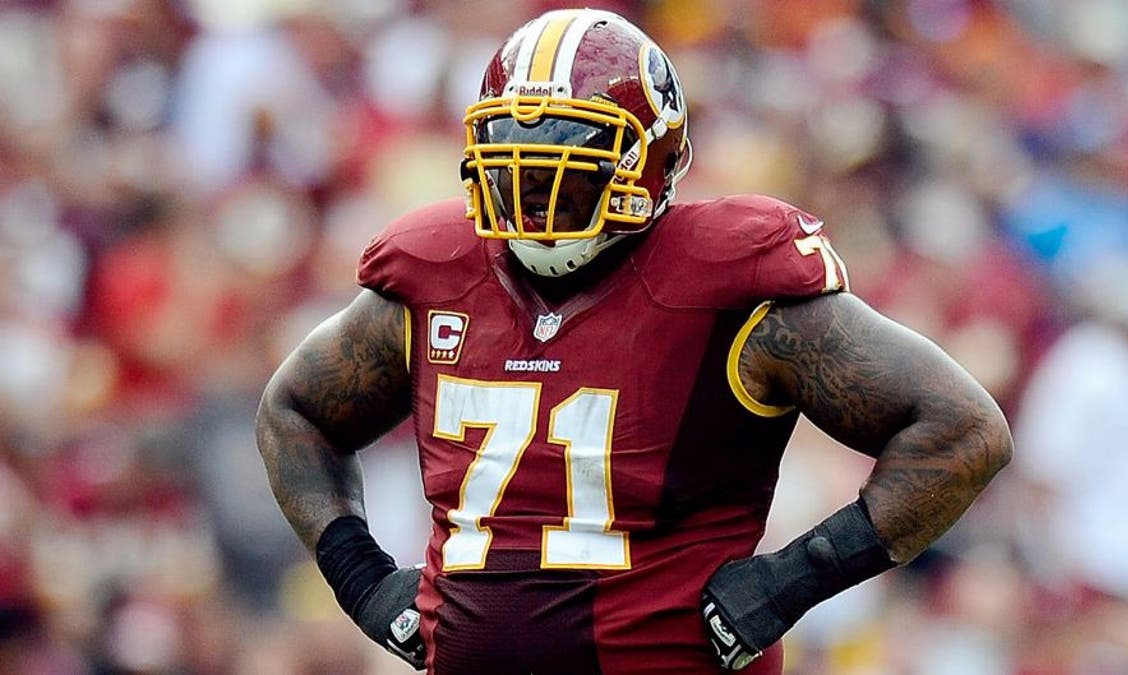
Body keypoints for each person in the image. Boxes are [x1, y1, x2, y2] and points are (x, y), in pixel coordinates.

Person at [255, 8, 1012, 674]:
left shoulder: (731, 285)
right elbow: (294, 409)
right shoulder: (435, 271)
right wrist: (361, 576)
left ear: (646, 159)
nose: (532, 190)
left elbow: (960, 429)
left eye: (564, 163)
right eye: (511, 156)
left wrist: (794, 577)